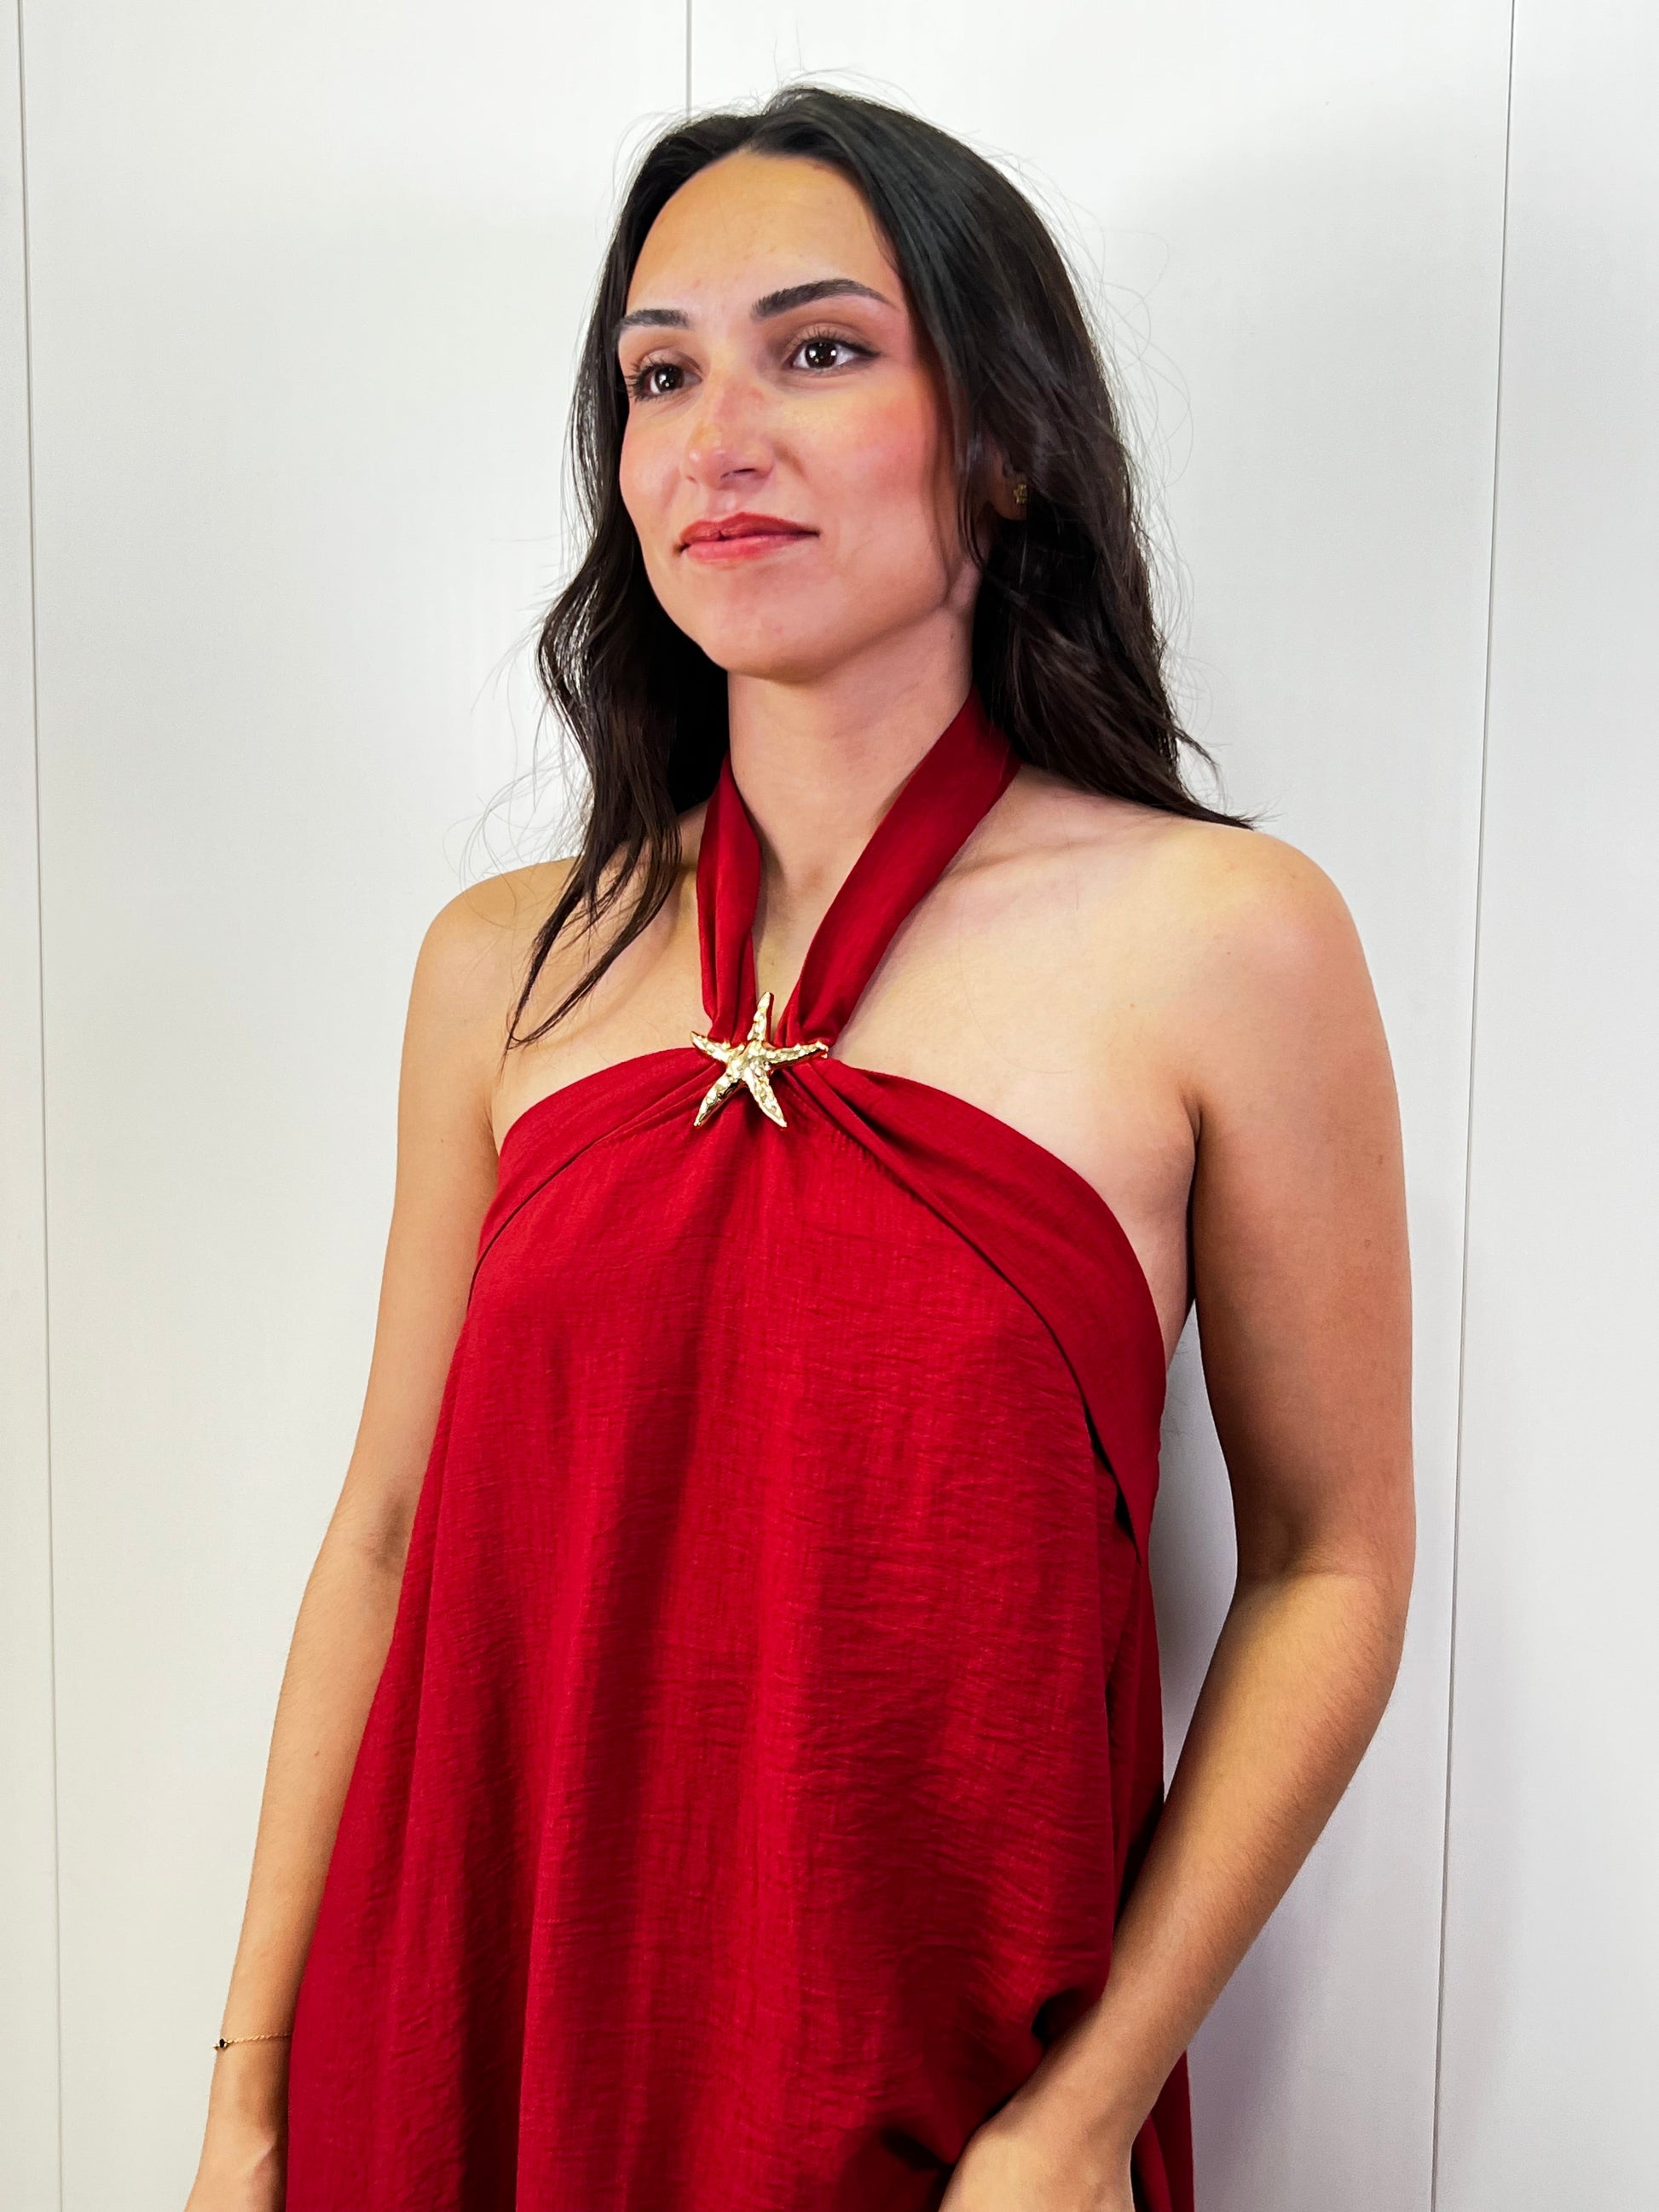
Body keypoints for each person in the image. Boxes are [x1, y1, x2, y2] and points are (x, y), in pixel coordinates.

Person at [185, 84, 1413, 2212]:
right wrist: (247, 2106)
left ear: (1004, 439)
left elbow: (1331, 1560)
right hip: (463, 2059)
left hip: (943, 2105)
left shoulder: (1225, 938)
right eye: (660, 376)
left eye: (817, 349)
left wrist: (1080, 2115)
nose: (714, 436)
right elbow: (381, 1539)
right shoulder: (502, 965)